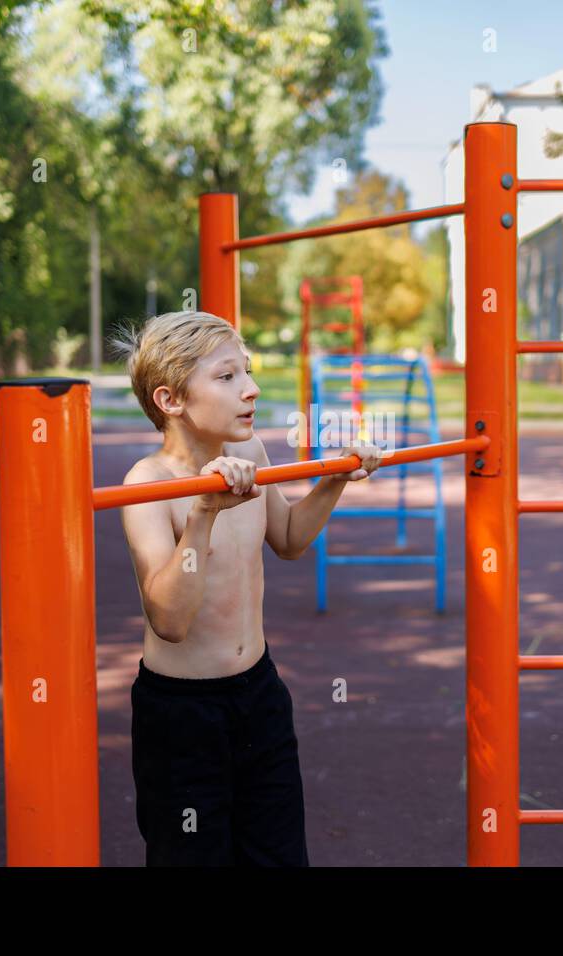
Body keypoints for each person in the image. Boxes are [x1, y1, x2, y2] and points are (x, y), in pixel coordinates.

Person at [109, 310, 383, 866]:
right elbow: (171, 620)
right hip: (182, 715)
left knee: (278, 854)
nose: (252, 389)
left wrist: (333, 480)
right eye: (228, 377)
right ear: (171, 401)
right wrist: (205, 511)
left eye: (248, 372)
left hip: (258, 696)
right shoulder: (148, 484)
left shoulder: (252, 453)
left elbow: (287, 539)